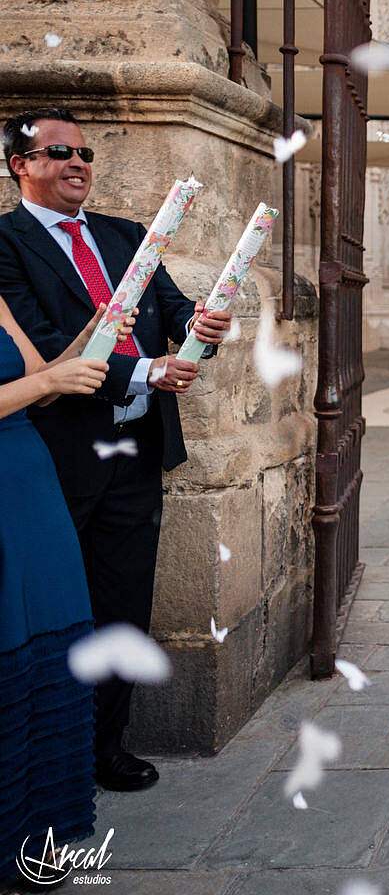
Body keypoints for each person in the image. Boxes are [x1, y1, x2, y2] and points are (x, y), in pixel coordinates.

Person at [0, 107, 232, 793]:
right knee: (55, 611)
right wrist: (147, 371)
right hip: (56, 455)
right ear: (20, 164)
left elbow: (173, 306)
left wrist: (201, 326)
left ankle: (106, 747)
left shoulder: (128, 235)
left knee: (123, 604)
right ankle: (50, 753)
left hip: (137, 446)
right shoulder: (5, 243)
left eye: (86, 153)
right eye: (59, 152)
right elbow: (39, 349)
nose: (78, 164)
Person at [0, 297, 134, 890]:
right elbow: (43, 385)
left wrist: (88, 340)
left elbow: (41, 385)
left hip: (29, 478)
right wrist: (50, 380)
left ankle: (34, 833)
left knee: (51, 644)